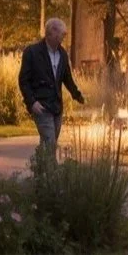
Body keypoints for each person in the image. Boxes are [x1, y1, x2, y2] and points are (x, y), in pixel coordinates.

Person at [17, 17, 86, 165]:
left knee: (48, 142)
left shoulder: (62, 54)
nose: (64, 36)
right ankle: (52, 177)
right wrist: (31, 102)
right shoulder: (32, 52)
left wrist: (77, 95)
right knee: (49, 141)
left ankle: (40, 176)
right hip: (41, 105)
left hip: (56, 106)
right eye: (62, 34)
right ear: (52, 33)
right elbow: (23, 81)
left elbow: (67, 78)